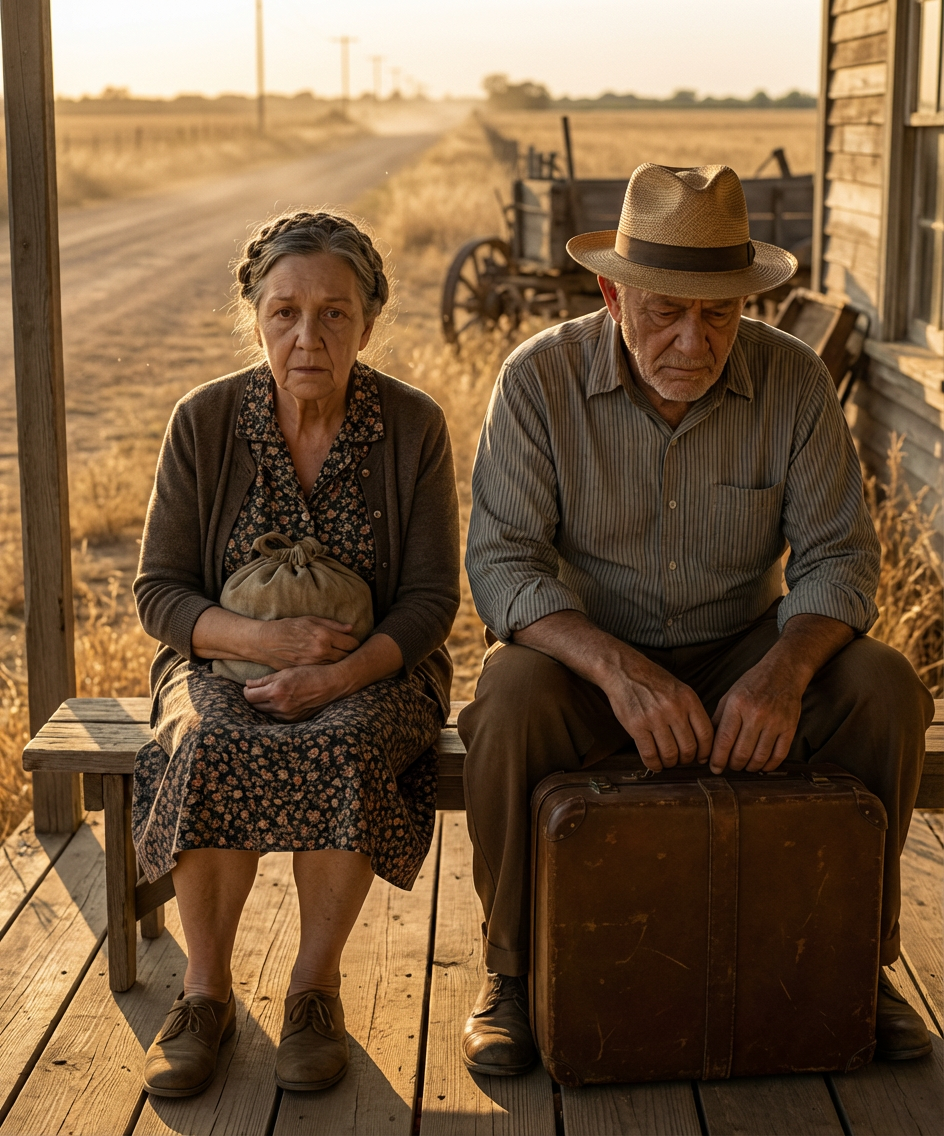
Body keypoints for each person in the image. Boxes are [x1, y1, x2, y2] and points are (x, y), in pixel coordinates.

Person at [458, 164, 934, 1075]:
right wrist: (616, 668)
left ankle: (860, 963)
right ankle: (511, 974)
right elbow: (503, 562)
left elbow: (840, 555)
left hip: (743, 654)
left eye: (719, 313)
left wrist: (785, 671)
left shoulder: (794, 380)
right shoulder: (538, 379)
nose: (693, 338)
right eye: (667, 311)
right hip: (587, 666)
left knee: (885, 687)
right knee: (509, 695)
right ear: (611, 292)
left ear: (748, 304)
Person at [133, 210, 459, 1097]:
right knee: (208, 738)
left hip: (377, 669)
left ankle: (315, 990)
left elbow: (434, 598)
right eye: (284, 313)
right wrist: (262, 643)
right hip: (217, 663)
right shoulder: (203, 422)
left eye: (334, 315)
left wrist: (340, 673)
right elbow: (157, 592)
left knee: (346, 739)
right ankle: (205, 995)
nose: (307, 336)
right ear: (255, 315)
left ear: (368, 320)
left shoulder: (413, 426)